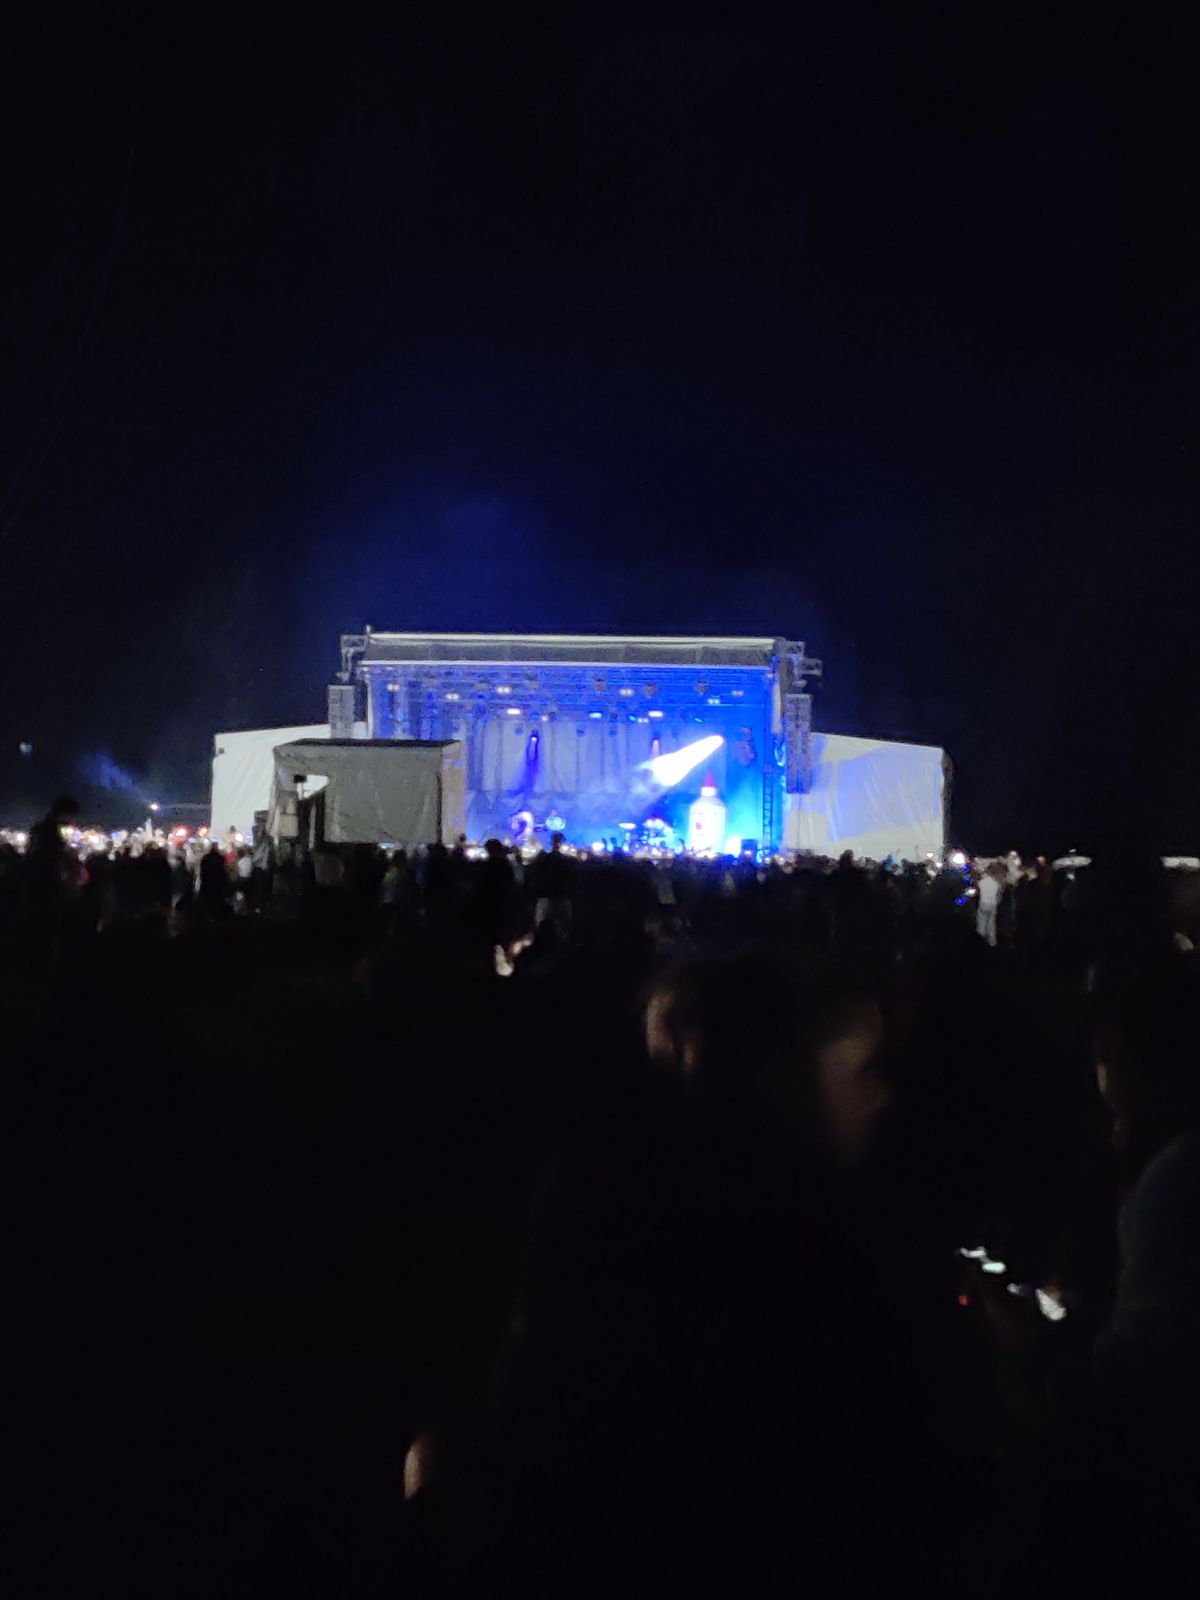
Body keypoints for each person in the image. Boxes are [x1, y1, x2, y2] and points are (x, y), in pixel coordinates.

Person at [976, 859, 1003, 946]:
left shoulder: (981, 882)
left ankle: (981, 941)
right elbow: (999, 896)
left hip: (983, 903)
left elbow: (977, 892)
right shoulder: (997, 883)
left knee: (982, 922)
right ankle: (992, 942)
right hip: (993, 904)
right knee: (991, 924)